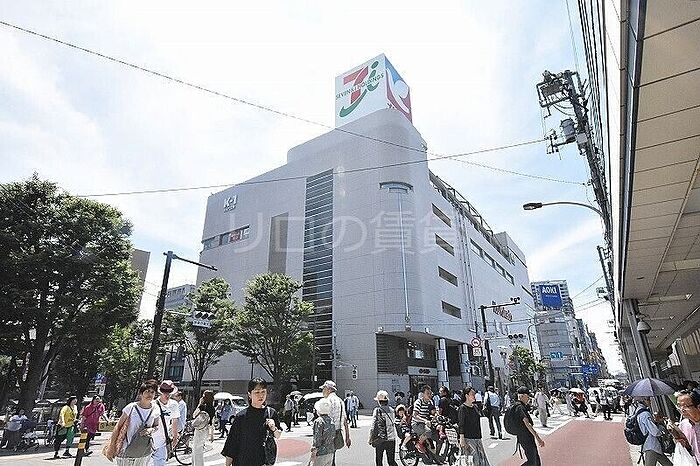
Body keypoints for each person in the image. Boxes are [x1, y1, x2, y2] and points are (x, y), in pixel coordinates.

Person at [222, 378, 282, 466]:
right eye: (257, 392)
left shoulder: (271, 413)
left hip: (263, 462)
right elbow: (232, 443)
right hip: (243, 462)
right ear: (249, 394)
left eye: (263, 392)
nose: (261, 395)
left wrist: (273, 428)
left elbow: (278, 435)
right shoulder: (241, 416)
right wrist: (227, 464)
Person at [103, 379, 161, 466]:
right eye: (147, 391)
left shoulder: (156, 409)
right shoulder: (131, 407)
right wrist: (111, 446)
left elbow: (156, 426)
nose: (150, 394)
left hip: (143, 451)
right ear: (141, 393)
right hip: (125, 450)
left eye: (152, 392)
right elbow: (118, 427)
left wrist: (150, 430)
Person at [320, 380, 352, 465]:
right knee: (332, 458)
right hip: (337, 433)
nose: (323, 391)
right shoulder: (340, 401)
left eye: (324, 388)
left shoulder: (327, 400)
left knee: (326, 460)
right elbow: (345, 420)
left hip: (327, 434)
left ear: (329, 389)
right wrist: (347, 437)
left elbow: (324, 419)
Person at [634, 397, 673, 466]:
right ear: (643, 400)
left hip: (652, 445)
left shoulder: (638, 411)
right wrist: (662, 430)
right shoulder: (645, 414)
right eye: (648, 399)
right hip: (651, 445)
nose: (650, 401)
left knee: (668, 464)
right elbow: (655, 432)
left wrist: (656, 421)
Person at [457, 387, 490, 466]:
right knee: (473, 461)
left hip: (477, 437)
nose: (474, 396)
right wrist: (462, 439)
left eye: (474, 394)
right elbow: (461, 424)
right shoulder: (462, 408)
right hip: (468, 438)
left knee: (482, 460)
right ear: (466, 395)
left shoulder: (475, 407)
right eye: (472, 394)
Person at [512, 387, 545, 466]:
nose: (528, 398)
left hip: (526, 437)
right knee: (532, 462)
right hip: (525, 438)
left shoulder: (520, 406)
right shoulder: (519, 407)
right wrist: (538, 438)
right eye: (527, 396)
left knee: (536, 461)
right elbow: (527, 423)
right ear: (522, 396)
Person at [152, 380, 180, 466]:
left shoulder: (174, 404)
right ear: (161, 392)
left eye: (169, 392)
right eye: (164, 392)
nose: (167, 394)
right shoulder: (153, 404)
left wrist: (175, 437)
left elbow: (175, 421)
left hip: (162, 442)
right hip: (150, 441)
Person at [369, 390, 398, 466]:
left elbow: (373, 426)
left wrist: (370, 438)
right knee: (391, 461)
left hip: (380, 438)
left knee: (379, 460)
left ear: (379, 401)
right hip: (391, 439)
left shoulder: (377, 410)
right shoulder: (392, 410)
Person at [676, 390, 700, 464]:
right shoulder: (683, 425)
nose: (682, 409)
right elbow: (687, 448)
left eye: (686, 406)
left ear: (698, 407)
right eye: (679, 406)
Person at [411, 385, 436, 455]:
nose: (430, 395)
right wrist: (425, 420)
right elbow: (415, 415)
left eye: (430, 393)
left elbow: (433, 412)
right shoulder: (418, 402)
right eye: (427, 393)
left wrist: (436, 415)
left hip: (426, 423)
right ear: (423, 394)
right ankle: (419, 443)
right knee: (428, 431)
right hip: (416, 423)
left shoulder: (430, 402)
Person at [193, 390, 215, 466]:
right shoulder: (212, 408)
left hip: (199, 430)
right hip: (206, 430)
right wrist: (212, 435)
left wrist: (199, 404)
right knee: (198, 449)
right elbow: (212, 423)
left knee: (197, 450)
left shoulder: (202, 406)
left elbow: (194, 415)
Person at [311, 398, 335, 466]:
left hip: (321, 452)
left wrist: (314, 451)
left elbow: (317, 438)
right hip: (330, 451)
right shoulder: (331, 420)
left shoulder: (319, 421)